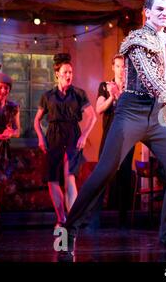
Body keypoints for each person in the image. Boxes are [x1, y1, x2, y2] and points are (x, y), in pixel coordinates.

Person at [56, 0, 166, 258]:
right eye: (159, 9)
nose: (164, 13)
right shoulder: (136, 40)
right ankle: (69, 230)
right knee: (104, 172)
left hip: (156, 116)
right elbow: (151, 81)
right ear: (146, 12)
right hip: (131, 112)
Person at [34, 53, 97, 229]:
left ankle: (73, 219)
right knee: (52, 179)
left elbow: (92, 117)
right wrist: (40, 137)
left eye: (71, 72)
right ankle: (61, 218)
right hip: (53, 136)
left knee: (69, 176)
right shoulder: (48, 96)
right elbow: (37, 120)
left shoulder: (78, 94)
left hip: (72, 134)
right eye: (65, 72)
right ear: (57, 74)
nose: (69, 75)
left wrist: (84, 135)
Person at [88, 54, 134, 230]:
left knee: (124, 178)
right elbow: (99, 109)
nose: (121, 70)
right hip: (109, 138)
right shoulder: (104, 86)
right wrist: (111, 97)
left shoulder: (132, 88)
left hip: (127, 138)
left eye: (124, 67)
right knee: (102, 175)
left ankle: (123, 221)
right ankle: (94, 219)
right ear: (113, 67)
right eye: (118, 66)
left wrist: (120, 94)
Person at [0, 72, 20, 234]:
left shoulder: (12, 107)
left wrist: (10, 133)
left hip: (1, 153)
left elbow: (17, 131)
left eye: (6, 88)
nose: (3, 91)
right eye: (0, 87)